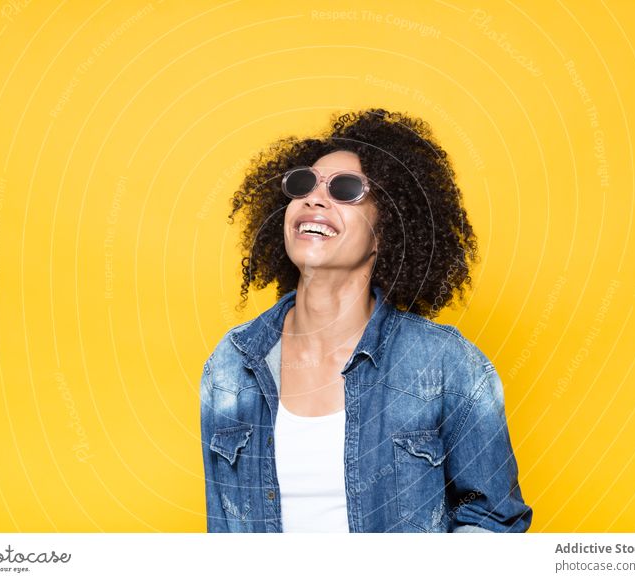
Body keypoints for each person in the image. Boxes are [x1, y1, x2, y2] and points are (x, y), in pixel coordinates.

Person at [199, 108, 533, 533]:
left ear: (386, 228)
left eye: (346, 190)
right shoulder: (231, 364)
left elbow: (493, 520)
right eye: (304, 184)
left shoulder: (445, 363)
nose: (315, 198)